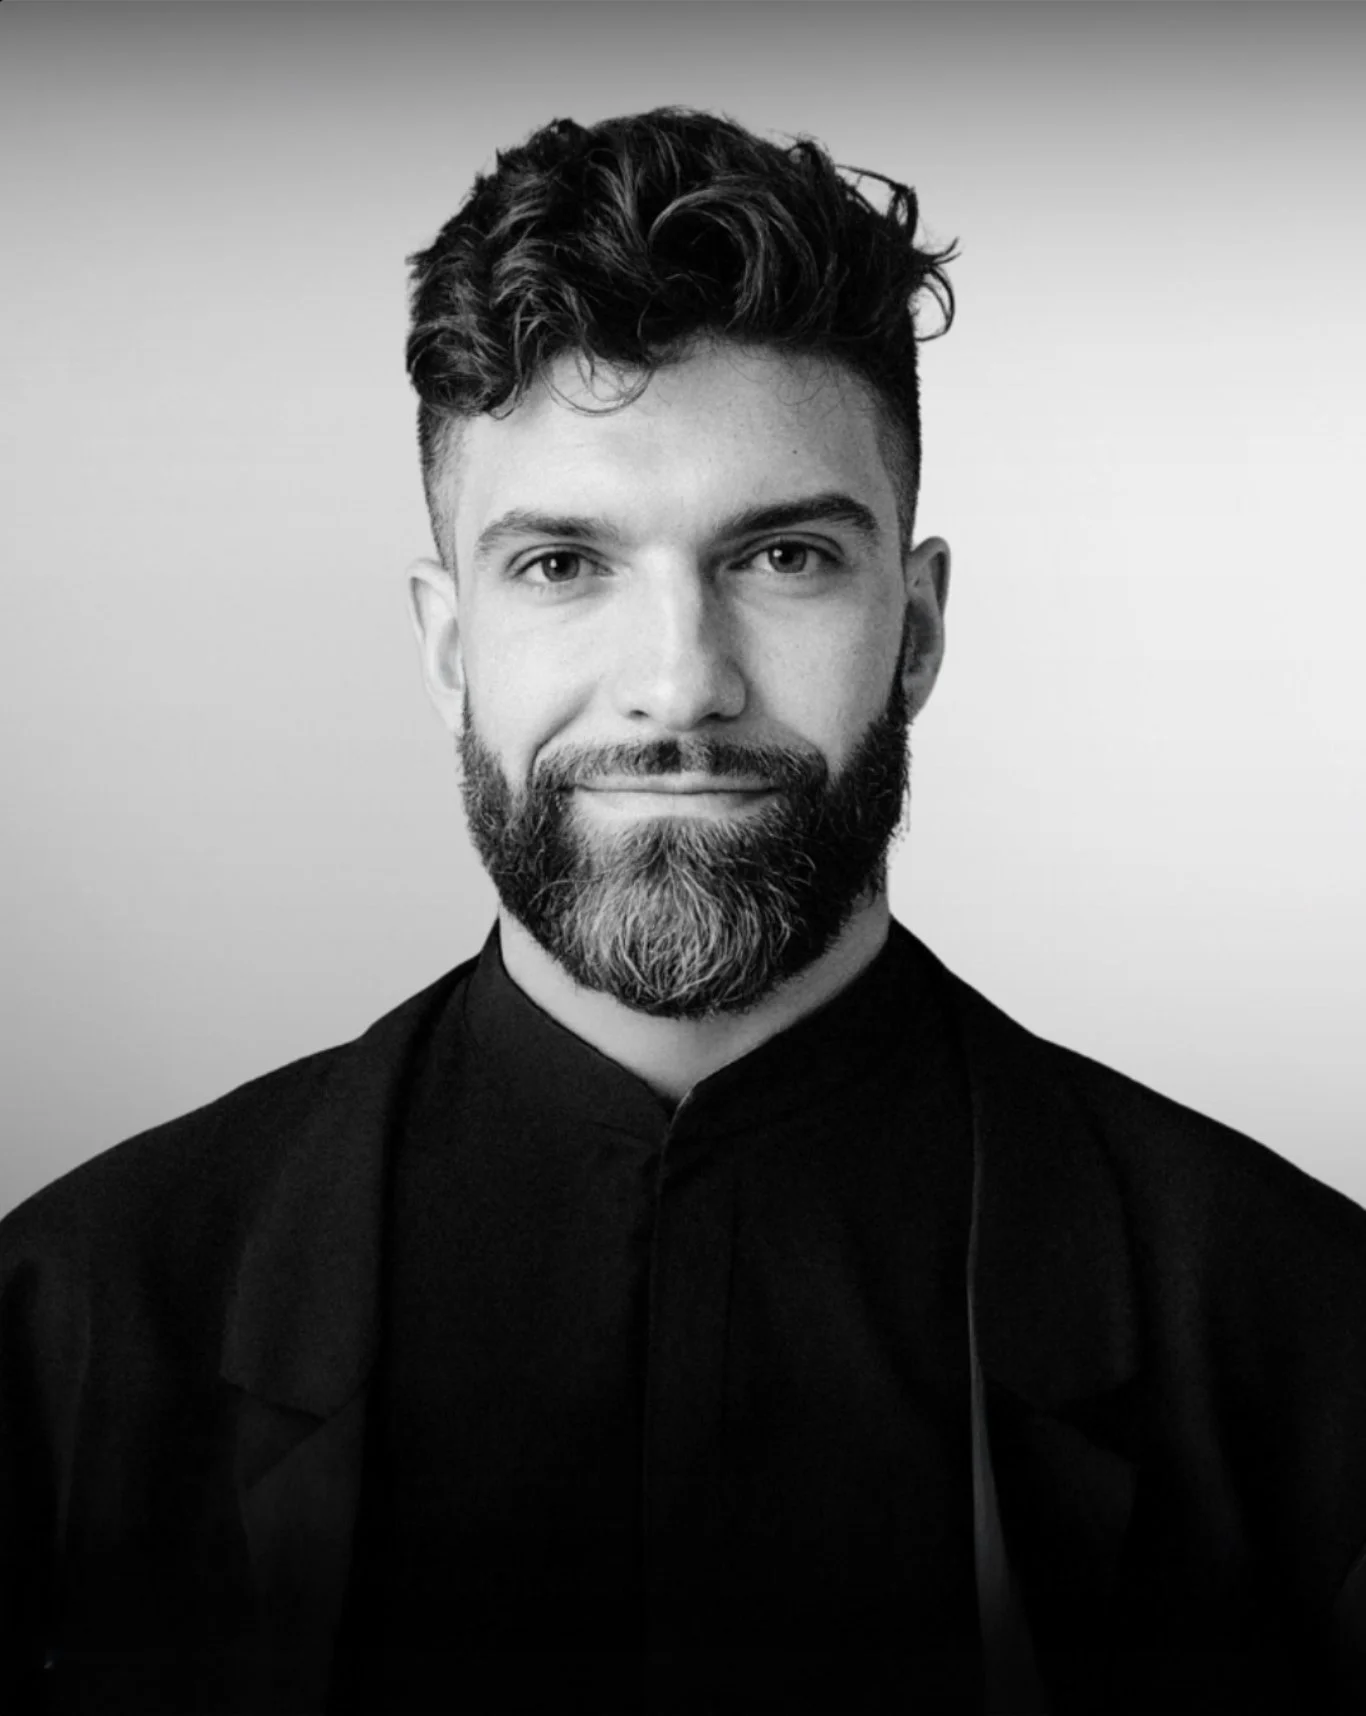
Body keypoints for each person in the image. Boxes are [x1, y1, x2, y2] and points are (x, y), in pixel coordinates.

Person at [3, 106, 1365, 1716]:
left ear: (914, 629)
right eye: (564, 565)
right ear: (448, 639)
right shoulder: (73, 1323)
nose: (680, 687)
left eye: (783, 556)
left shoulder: (1302, 1336)